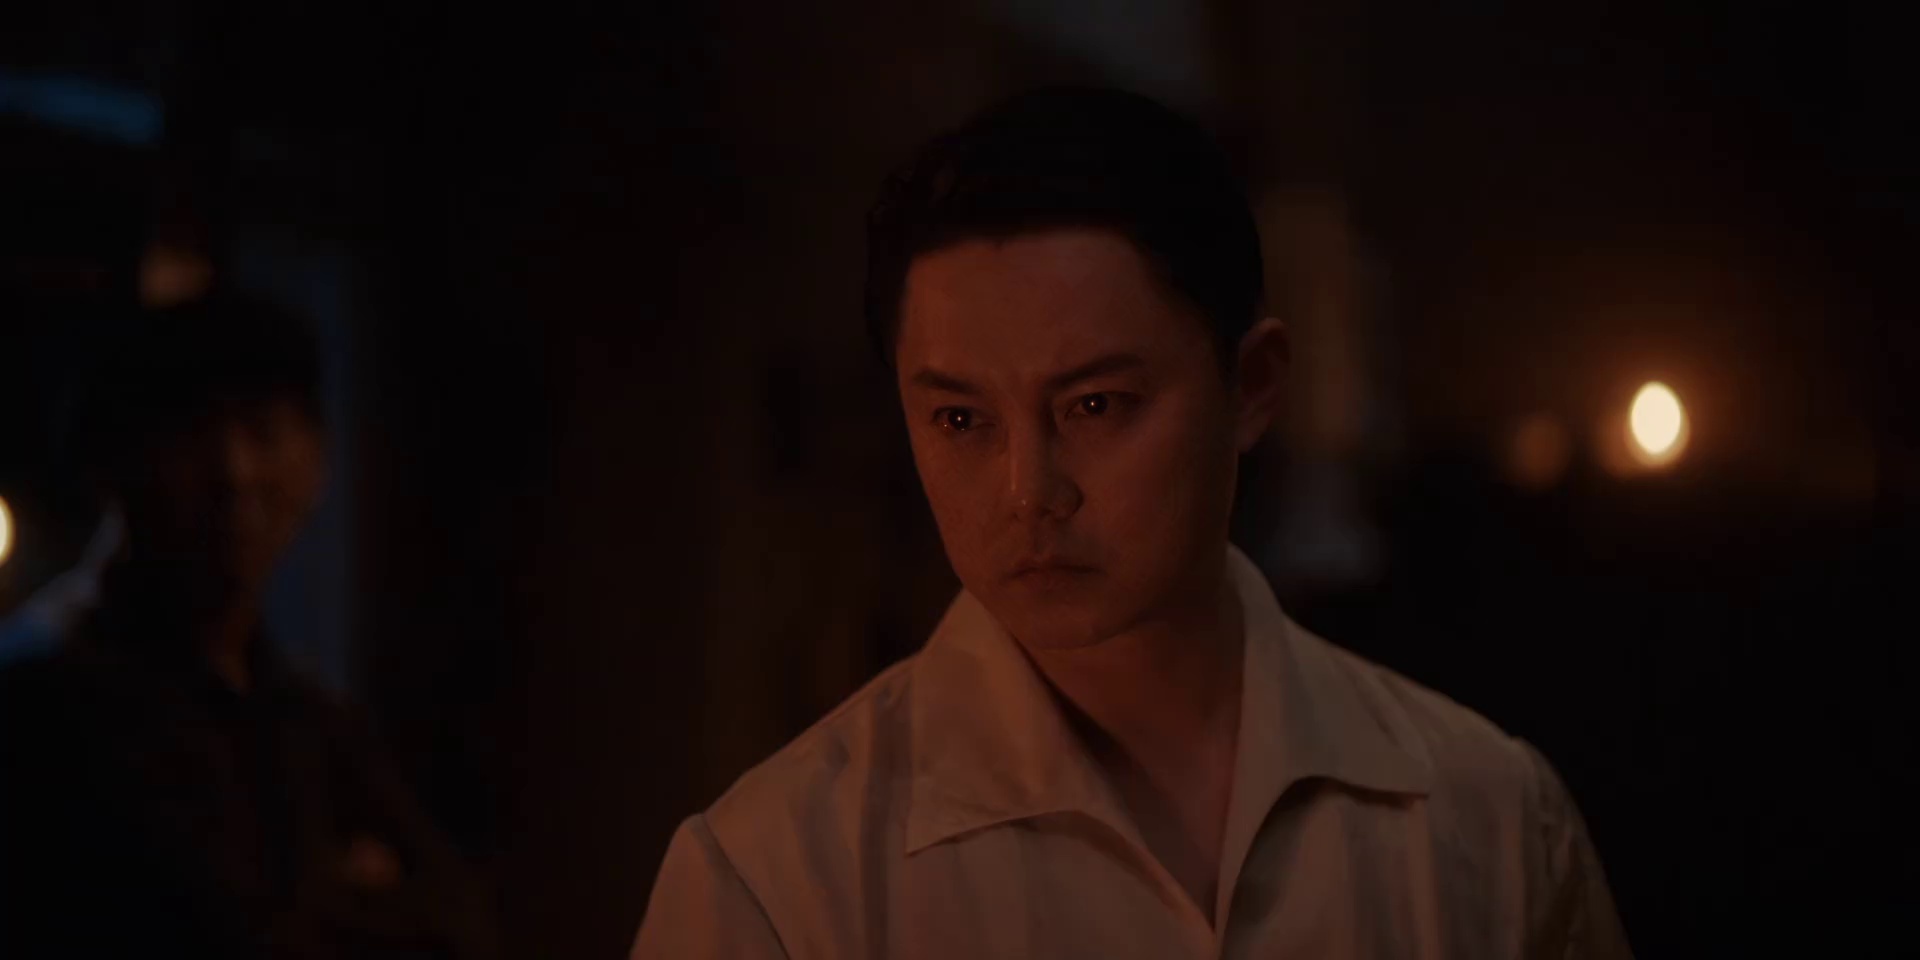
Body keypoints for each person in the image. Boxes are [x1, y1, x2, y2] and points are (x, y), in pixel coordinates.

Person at [630, 88, 1631, 958]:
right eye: (962, 420)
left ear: (1251, 385)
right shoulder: (776, 882)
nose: (1030, 490)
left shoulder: (1488, 819)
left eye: (1095, 405)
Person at [0, 292, 494, 959]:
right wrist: (351, 889)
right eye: (191, 435)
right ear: (109, 463)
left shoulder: (303, 711)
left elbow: (459, 922)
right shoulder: (44, 691)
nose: (235, 474)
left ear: (317, 463)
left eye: (263, 431)